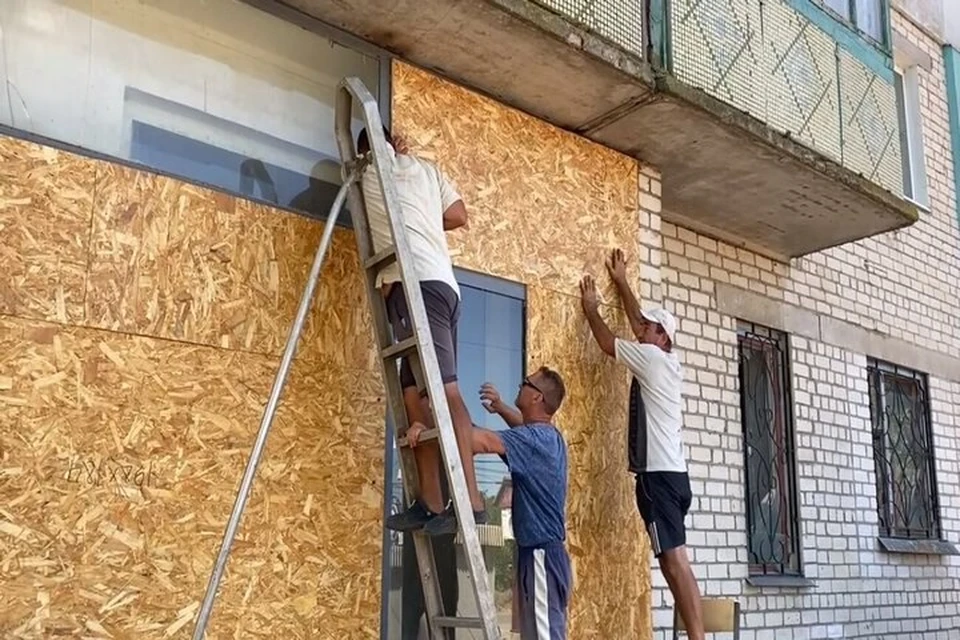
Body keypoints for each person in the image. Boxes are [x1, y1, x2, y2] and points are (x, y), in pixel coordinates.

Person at [357, 126, 487, 535]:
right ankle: (431, 501)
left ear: (365, 152)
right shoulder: (426, 172)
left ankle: (470, 500)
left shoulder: (367, 175)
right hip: (440, 287)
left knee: (446, 392)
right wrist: (424, 216)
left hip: (420, 290)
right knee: (413, 393)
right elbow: (459, 214)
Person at [578, 249, 705, 640]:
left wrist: (591, 309)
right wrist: (621, 282)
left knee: (676, 561)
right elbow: (636, 320)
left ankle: (699, 638)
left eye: (649, 328)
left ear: (661, 337)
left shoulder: (651, 358)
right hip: (674, 477)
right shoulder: (666, 360)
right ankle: (694, 634)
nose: (640, 329)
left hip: (659, 477)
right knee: (671, 563)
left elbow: (606, 341)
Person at [405, 366, 572, 640]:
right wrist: (502, 408)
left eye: (526, 383)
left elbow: (473, 441)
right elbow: (523, 427)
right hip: (540, 555)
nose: (520, 386)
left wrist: (426, 426)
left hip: (541, 557)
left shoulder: (534, 441)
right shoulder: (548, 438)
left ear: (537, 398)